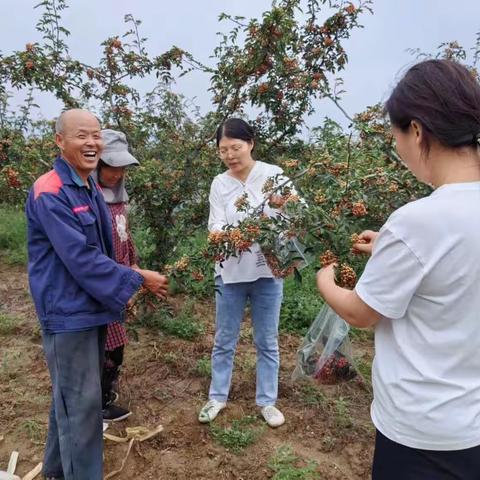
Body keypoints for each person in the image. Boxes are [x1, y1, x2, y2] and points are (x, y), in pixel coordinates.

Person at [316, 59, 480, 479]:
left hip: (421, 431)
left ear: (418, 131)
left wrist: (325, 283)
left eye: (396, 136)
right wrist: (390, 252)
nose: (398, 148)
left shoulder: (417, 221)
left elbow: (361, 312)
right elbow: (454, 273)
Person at [25, 109, 168, 480]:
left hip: (89, 308)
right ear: (60, 141)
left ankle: (56, 471)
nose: (91, 144)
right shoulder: (51, 191)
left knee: (70, 401)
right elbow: (83, 259)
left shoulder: (88, 187)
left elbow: (104, 251)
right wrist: (137, 280)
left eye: (96, 136)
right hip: (68, 312)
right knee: (84, 406)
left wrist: (128, 278)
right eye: (81, 136)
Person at [198, 118, 290, 428]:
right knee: (225, 338)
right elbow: (214, 225)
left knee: (267, 340)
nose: (230, 155)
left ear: (250, 143)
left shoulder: (274, 175)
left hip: (267, 271)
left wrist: (283, 207)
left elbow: (295, 211)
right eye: (223, 150)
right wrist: (235, 233)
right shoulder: (219, 183)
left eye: (235, 147)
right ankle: (217, 396)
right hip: (230, 272)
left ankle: (267, 401)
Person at [92, 129, 140, 423]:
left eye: (121, 167)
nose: (116, 173)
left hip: (120, 279)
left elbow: (125, 237)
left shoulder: (119, 197)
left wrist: (134, 268)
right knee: (105, 344)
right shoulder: (90, 196)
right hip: (102, 283)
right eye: (110, 166)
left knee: (115, 342)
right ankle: (97, 404)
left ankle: (104, 397)